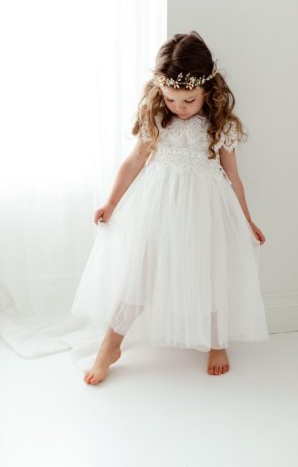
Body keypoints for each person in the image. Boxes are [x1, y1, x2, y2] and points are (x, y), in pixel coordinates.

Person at [71, 30, 269, 385]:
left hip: (205, 209)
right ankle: (110, 345)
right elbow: (134, 162)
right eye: (172, 98)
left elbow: (233, 177)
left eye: (188, 100)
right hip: (158, 207)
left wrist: (246, 219)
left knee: (210, 273)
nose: (179, 107)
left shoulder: (219, 124)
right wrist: (112, 202)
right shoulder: (158, 118)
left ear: (207, 91)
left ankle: (216, 341)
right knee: (140, 273)